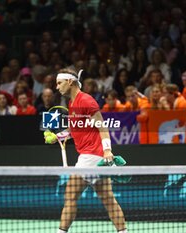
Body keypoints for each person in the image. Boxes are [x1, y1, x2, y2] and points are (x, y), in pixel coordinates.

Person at [53, 68, 128, 233]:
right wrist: (60, 135)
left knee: (70, 196)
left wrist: (107, 151)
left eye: (59, 83)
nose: (57, 87)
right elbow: (76, 128)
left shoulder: (86, 100)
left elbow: (102, 126)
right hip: (94, 157)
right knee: (108, 199)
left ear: (70, 82)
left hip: (91, 157)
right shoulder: (72, 104)